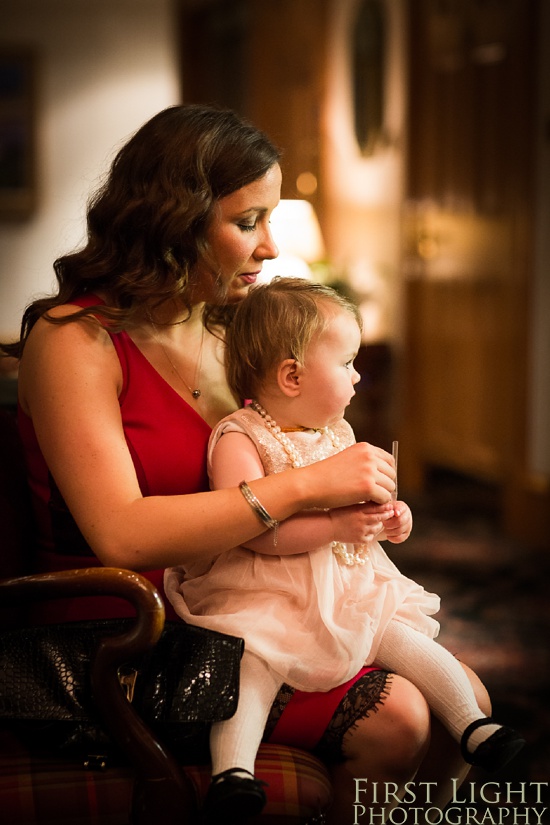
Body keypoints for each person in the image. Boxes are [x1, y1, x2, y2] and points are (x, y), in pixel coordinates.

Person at [1, 104, 492, 825]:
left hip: (250, 598)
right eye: (247, 221)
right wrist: (307, 487)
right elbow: (124, 535)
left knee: (469, 700)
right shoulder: (76, 338)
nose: (269, 247)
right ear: (174, 219)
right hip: (125, 630)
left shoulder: (229, 332)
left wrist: (357, 511)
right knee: (403, 719)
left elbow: (298, 446)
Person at [165, 277, 525, 821]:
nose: (359, 376)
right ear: (292, 376)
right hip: (263, 593)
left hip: (345, 588)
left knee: (402, 639)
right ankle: (232, 773)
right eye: (348, 362)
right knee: (254, 667)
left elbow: (365, 508)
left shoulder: (337, 431)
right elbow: (253, 531)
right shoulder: (240, 438)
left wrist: (391, 519)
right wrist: (335, 524)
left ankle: (474, 728)